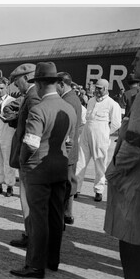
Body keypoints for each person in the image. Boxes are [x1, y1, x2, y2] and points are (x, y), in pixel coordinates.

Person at [10, 62, 76, 279]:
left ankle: (35, 265)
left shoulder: (39, 110)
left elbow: (30, 143)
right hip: (60, 168)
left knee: (38, 219)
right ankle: (52, 260)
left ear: (38, 83)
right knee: (56, 217)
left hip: (38, 169)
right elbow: (68, 143)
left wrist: (24, 162)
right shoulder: (69, 108)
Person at [104, 43, 140, 279]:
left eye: (138, 58)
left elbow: (135, 143)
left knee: (132, 250)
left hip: (135, 184)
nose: (132, 63)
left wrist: (114, 172)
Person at [4, 63, 41, 248]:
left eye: (17, 82)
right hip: (30, 156)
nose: (16, 86)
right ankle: (31, 234)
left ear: (26, 78)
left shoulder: (33, 96)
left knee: (27, 199)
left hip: (29, 157)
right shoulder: (33, 95)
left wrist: (24, 156)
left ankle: (31, 235)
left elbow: (34, 131)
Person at [75, 78, 122, 201]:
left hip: (101, 135)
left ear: (106, 89)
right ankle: (76, 189)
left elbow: (116, 124)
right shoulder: (90, 101)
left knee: (100, 164)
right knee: (80, 161)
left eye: (99, 88)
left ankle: (98, 190)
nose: (97, 90)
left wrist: (105, 133)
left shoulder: (112, 104)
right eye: (96, 88)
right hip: (86, 132)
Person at [57, 72, 82, 226]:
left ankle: (65, 215)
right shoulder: (72, 98)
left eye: (56, 85)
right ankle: (67, 214)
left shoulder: (69, 101)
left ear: (62, 84)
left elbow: (67, 129)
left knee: (66, 184)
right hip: (70, 148)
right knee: (69, 182)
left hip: (67, 149)